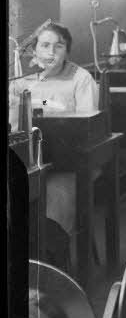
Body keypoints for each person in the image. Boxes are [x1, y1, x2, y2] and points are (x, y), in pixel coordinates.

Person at [10, 22, 101, 262]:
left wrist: (43, 105)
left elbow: (87, 126)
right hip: (27, 163)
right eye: (45, 45)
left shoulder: (81, 79)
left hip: (67, 164)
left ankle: (51, 265)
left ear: (67, 51)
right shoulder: (21, 80)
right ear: (34, 50)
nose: (51, 52)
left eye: (58, 46)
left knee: (51, 204)